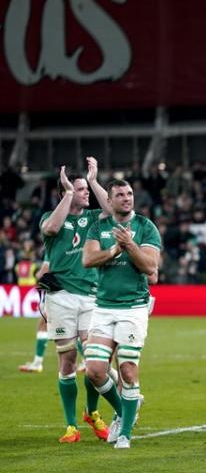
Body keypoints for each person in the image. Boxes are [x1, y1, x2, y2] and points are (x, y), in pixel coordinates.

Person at [81, 178, 162, 450]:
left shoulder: (145, 227)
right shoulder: (99, 226)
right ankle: (126, 408)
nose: (127, 198)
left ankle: (125, 433)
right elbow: (88, 260)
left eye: (129, 194)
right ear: (110, 200)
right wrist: (114, 249)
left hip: (133, 308)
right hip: (103, 307)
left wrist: (129, 245)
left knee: (127, 370)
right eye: (120, 195)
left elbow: (151, 268)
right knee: (94, 371)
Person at [39, 160, 113, 442]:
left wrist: (94, 181)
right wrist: (69, 193)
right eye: (80, 189)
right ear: (65, 192)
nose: (85, 194)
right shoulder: (50, 215)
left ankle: (91, 412)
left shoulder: (94, 216)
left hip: (91, 297)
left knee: (94, 357)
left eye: (84, 189)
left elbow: (113, 210)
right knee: (67, 361)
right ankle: (71, 426)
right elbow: (51, 229)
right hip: (61, 298)